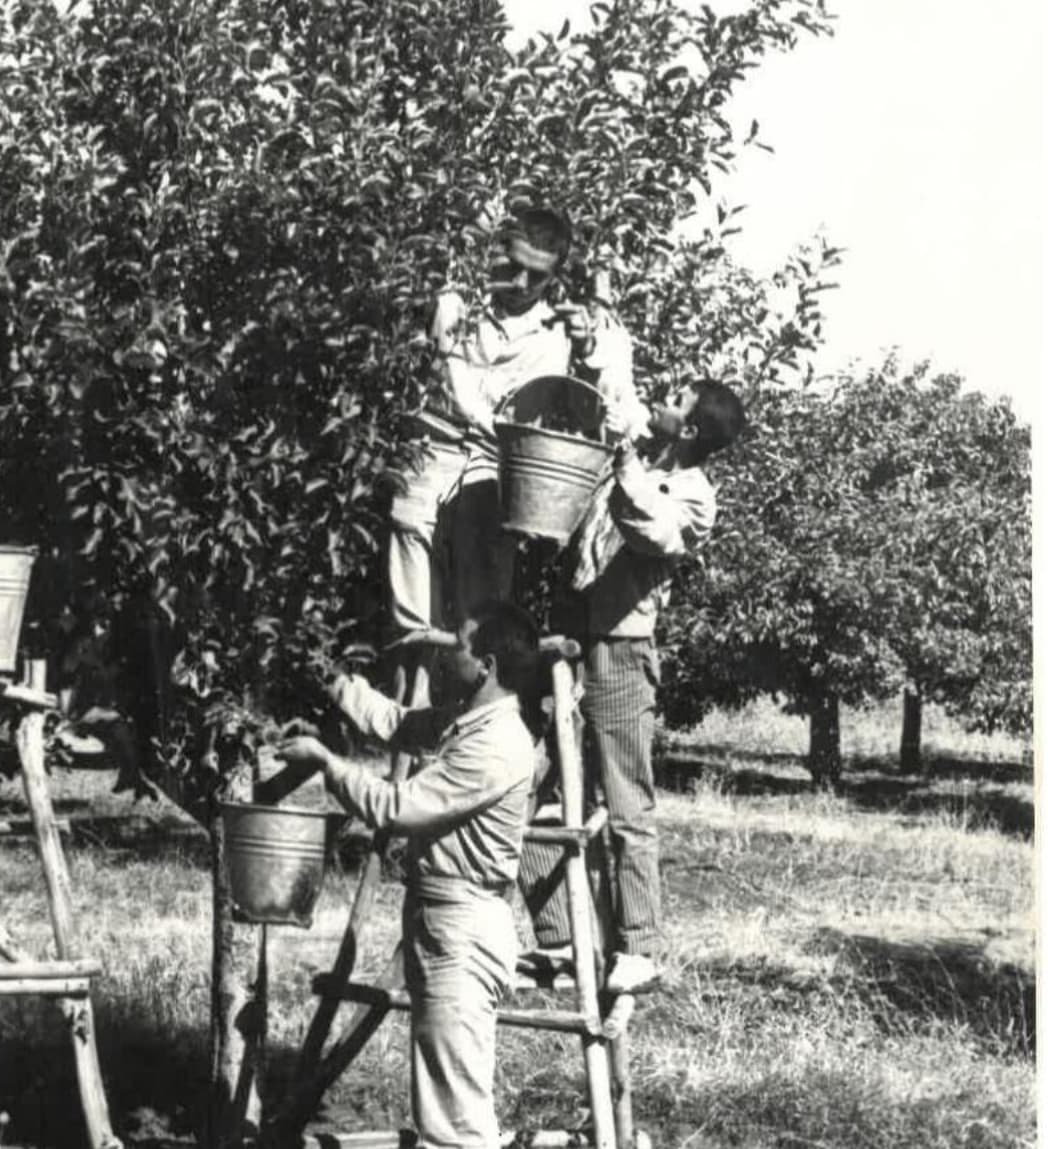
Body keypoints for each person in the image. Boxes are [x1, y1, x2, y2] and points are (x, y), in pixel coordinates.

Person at [275, 601, 542, 1149]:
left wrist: (329, 765)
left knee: (456, 1123)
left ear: (487, 665)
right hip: (441, 920)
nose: (445, 657)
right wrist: (337, 684)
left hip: (463, 929)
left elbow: (399, 808)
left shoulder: (497, 743)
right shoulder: (466, 720)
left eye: (458, 647)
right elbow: (397, 725)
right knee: (444, 1101)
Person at [519, 379, 747, 993]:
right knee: (532, 783)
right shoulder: (640, 460)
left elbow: (650, 528)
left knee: (625, 798)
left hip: (620, 649)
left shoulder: (694, 497)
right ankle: (561, 941)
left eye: (676, 399)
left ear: (692, 429)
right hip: (566, 636)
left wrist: (623, 457)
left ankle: (639, 946)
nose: (662, 400)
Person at [388, 206, 646, 639]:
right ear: (496, 252)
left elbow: (606, 412)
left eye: (537, 275)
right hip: (433, 454)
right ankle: (409, 700)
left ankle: (469, 704)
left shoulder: (562, 331)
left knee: (481, 612)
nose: (520, 284)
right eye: (513, 266)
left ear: (556, 276)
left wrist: (588, 350)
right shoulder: (456, 307)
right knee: (411, 605)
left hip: (498, 477)